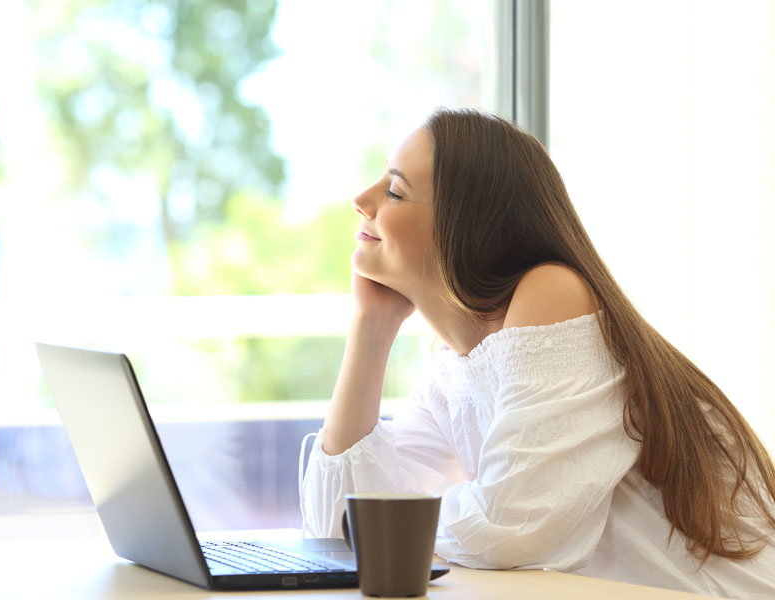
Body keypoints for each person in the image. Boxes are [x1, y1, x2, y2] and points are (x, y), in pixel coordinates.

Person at [299, 107, 775, 598]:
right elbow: (337, 529)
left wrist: (396, 528)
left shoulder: (553, 292)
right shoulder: (453, 361)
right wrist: (371, 326)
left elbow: (511, 529)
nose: (361, 199)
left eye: (395, 191)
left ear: (467, 227)